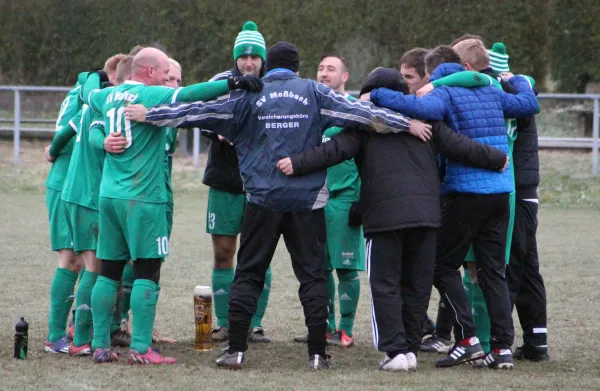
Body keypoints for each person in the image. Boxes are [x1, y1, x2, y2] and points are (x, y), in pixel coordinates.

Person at [124, 41, 432, 370]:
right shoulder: (314, 92)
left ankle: (236, 350)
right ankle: (317, 353)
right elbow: (363, 114)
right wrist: (406, 123)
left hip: (261, 199)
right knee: (313, 277)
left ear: (267, 66)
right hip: (307, 202)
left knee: (248, 274)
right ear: (298, 68)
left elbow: (195, 112)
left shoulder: (246, 95)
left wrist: (150, 114)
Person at [278, 67, 509, 371]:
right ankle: (410, 349)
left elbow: (332, 151)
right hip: (427, 216)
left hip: (385, 217)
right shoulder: (425, 122)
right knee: (417, 284)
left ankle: (394, 351)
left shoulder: (365, 125)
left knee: (385, 284)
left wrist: (295, 163)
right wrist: (497, 158)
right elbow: (460, 146)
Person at [81, 47, 264, 365]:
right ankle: (140, 348)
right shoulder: (150, 97)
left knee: (108, 272)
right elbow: (194, 93)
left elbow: (88, 92)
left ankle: (99, 345)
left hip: (108, 196)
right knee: (146, 273)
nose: (168, 78)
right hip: (144, 198)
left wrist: (90, 76)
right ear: (149, 72)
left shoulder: (107, 97)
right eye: (165, 72)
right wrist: (231, 83)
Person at [366, 45, 539, 369]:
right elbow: (529, 104)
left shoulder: (444, 92)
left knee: (440, 266)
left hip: (465, 193)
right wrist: (517, 80)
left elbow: (408, 104)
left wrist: (375, 94)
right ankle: (501, 348)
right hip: (501, 193)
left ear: (437, 72)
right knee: (493, 272)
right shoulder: (492, 91)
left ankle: (467, 338)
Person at [44, 54, 134, 356]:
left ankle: (75, 332)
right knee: (76, 261)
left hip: (79, 185)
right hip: (70, 186)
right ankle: (64, 335)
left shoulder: (90, 90)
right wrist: (52, 151)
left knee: (83, 262)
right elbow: (66, 132)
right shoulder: (93, 98)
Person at [204, 21, 273, 344]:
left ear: (262, 59)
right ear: (236, 58)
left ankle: (254, 323)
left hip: (261, 182)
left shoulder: (273, 84)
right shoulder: (220, 82)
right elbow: (196, 111)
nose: (248, 63)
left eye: (254, 57)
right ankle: (223, 322)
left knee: (259, 254)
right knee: (224, 252)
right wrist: (216, 128)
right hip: (224, 178)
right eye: (243, 57)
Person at [294, 53, 364, 348]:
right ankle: (324, 327)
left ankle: (345, 331)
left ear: (344, 77)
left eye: (331, 69)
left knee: (345, 267)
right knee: (318, 268)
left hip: (345, 200)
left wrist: (362, 200)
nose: (323, 73)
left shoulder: (353, 112)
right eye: (320, 68)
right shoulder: (312, 112)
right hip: (314, 201)